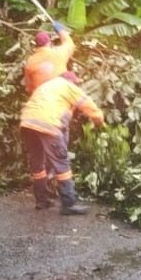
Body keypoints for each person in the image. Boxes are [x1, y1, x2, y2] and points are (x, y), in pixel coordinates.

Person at [20, 71, 104, 215]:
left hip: (27, 124)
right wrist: (99, 123)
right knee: (61, 162)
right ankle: (68, 204)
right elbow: (91, 108)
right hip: (48, 124)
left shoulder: (46, 86)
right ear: (71, 81)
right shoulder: (68, 86)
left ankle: (42, 201)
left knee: (38, 163)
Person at [23, 27, 75, 95]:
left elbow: (29, 87)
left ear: (36, 45)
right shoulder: (58, 53)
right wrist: (60, 30)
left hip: (42, 98)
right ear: (49, 42)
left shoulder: (30, 62)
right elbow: (70, 44)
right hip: (62, 92)